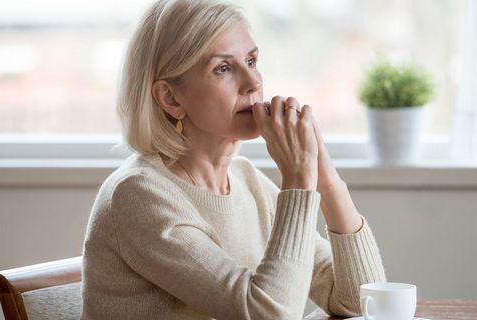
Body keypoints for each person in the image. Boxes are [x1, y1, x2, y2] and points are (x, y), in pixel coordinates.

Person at [81, 0, 386, 319]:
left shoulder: (245, 180)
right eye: (223, 68)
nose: (253, 83)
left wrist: (325, 179)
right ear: (171, 98)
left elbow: (362, 303)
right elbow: (267, 315)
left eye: (252, 61)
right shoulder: (139, 195)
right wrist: (297, 181)